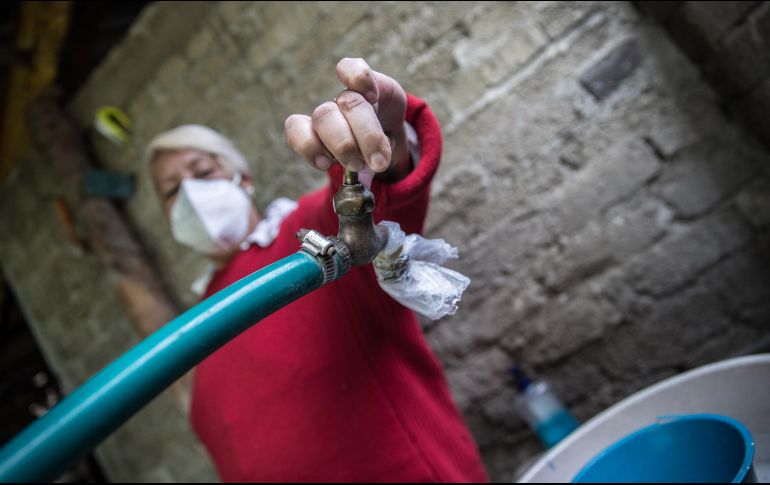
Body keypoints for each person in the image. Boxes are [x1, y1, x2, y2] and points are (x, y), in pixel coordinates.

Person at [146, 58, 489, 482]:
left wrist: (382, 141)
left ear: (244, 180)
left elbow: (379, 199)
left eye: (203, 172)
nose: (193, 195)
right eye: (173, 191)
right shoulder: (202, 320)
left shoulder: (310, 233)